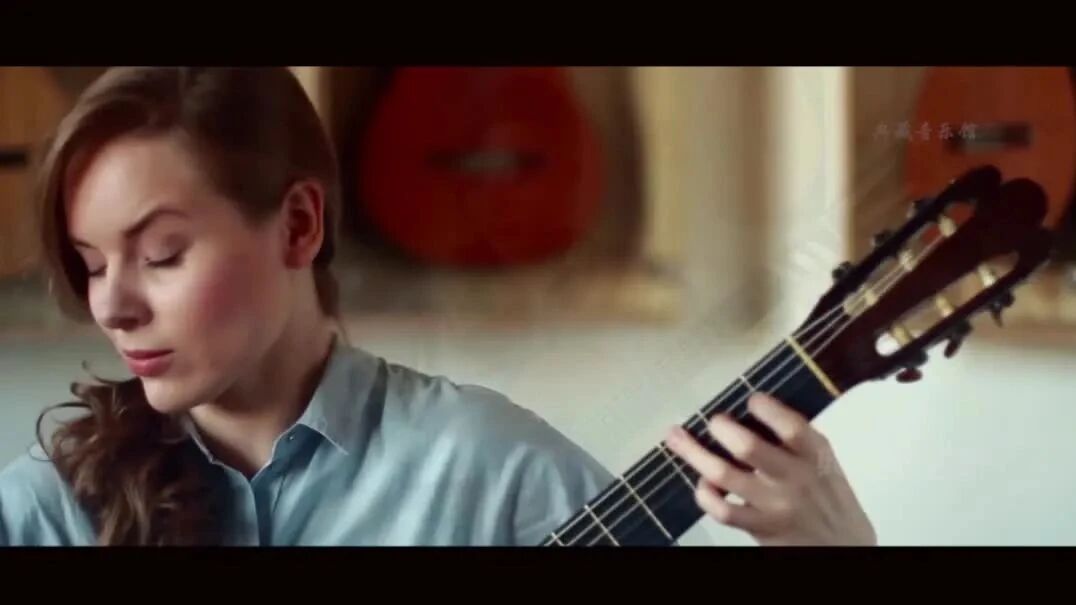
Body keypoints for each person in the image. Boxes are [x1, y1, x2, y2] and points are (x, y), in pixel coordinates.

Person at [0, 67, 876, 547]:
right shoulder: (49, 508)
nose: (111, 304)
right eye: (90, 263)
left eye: (160, 255)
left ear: (298, 224)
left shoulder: (502, 475)